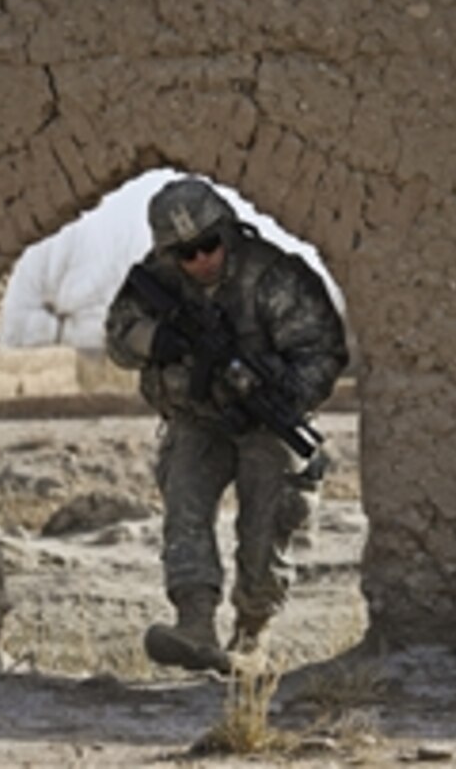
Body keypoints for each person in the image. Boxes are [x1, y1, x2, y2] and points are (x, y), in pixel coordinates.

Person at [105, 177, 348, 673]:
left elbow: (324, 353)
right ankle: (194, 625)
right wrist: (159, 341)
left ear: (228, 232)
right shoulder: (157, 279)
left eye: (208, 246)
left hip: (266, 420)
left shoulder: (274, 278)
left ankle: (249, 637)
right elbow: (118, 335)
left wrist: (273, 387)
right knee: (185, 507)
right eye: (185, 254)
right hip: (198, 418)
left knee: (266, 525)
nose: (200, 261)